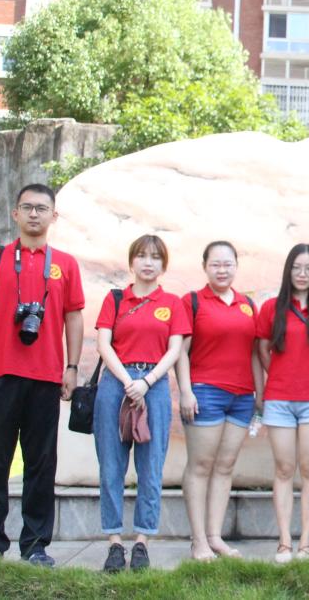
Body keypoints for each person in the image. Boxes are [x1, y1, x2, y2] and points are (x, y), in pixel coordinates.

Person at [0, 183, 85, 575]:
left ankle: (35, 546)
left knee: (41, 465)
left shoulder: (65, 264)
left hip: (46, 377)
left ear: (53, 216)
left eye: (41, 208)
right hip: (0, 373)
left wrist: (72, 367)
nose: (34, 214)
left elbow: (74, 317)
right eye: (27, 207)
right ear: (15, 213)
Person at [94, 234, 190, 572]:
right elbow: (104, 344)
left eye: (155, 257)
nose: (148, 263)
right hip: (115, 384)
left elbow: (175, 350)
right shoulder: (115, 299)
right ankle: (114, 542)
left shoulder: (173, 303)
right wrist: (127, 382)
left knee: (151, 467)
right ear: (131, 261)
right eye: (142, 256)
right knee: (111, 466)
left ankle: (142, 542)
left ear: (163, 264)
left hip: (155, 385)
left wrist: (146, 382)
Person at [176, 241, 263, 561]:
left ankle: (215, 537)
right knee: (200, 465)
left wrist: (259, 393)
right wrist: (186, 391)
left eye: (228, 264)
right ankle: (198, 540)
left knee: (225, 467)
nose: (222, 270)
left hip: (241, 397)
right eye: (215, 264)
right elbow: (180, 352)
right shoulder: (192, 301)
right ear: (205, 267)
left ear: (236, 266)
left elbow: (254, 353)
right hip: (205, 393)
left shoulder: (247, 304)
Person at [256, 244, 309, 563]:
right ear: (288, 270)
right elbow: (262, 349)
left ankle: (306, 542)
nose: (302, 274)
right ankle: (285, 541)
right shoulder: (271, 308)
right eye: (297, 268)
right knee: (285, 468)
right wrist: (276, 377)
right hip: (279, 400)